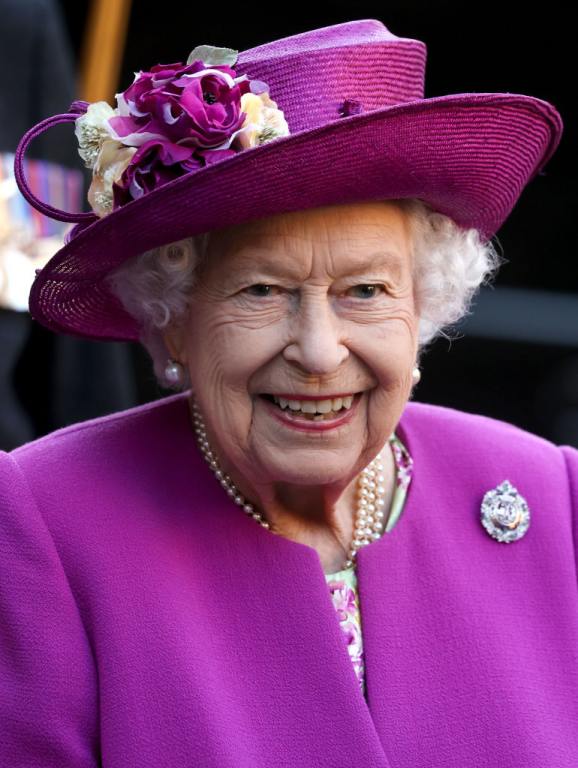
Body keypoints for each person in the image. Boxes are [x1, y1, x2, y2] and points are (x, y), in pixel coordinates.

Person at [1, 18, 577, 768]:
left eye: (366, 291)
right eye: (263, 290)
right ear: (175, 319)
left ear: (424, 307)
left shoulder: (554, 497)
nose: (317, 350)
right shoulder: (46, 521)